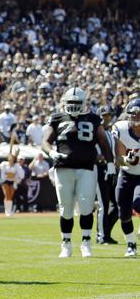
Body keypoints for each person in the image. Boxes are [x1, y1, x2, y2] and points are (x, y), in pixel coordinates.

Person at [42, 87, 114, 258]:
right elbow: (45, 141)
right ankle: (66, 244)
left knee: (86, 206)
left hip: (87, 168)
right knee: (65, 208)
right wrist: (51, 152)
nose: (73, 106)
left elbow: (104, 143)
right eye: (71, 103)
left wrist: (110, 163)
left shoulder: (94, 119)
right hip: (63, 168)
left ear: (83, 103)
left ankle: (86, 242)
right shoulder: (57, 118)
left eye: (76, 103)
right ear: (65, 103)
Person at [111, 98, 140, 258]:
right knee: (123, 212)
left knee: (138, 204)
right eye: (133, 114)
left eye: (139, 114)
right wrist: (126, 159)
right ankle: (131, 244)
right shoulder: (121, 129)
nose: (135, 117)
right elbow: (117, 159)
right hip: (127, 174)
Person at [95, 106, 118, 244]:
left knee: (119, 205)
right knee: (104, 204)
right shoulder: (95, 132)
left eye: (109, 115)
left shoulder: (111, 133)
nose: (107, 118)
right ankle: (101, 236)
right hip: (101, 169)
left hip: (113, 170)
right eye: (104, 115)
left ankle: (106, 232)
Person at [0, 147, 23, 217]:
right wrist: (6, 176)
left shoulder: (16, 166)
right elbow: (1, 173)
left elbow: (21, 175)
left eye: (12, 158)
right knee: (7, 195)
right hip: (5, 182)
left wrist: (14, 177)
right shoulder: (3, 164)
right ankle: (7, 211)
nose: (11, 159)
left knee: (10, 196)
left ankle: (9, 211)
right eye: (10, 157)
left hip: (13, 182)